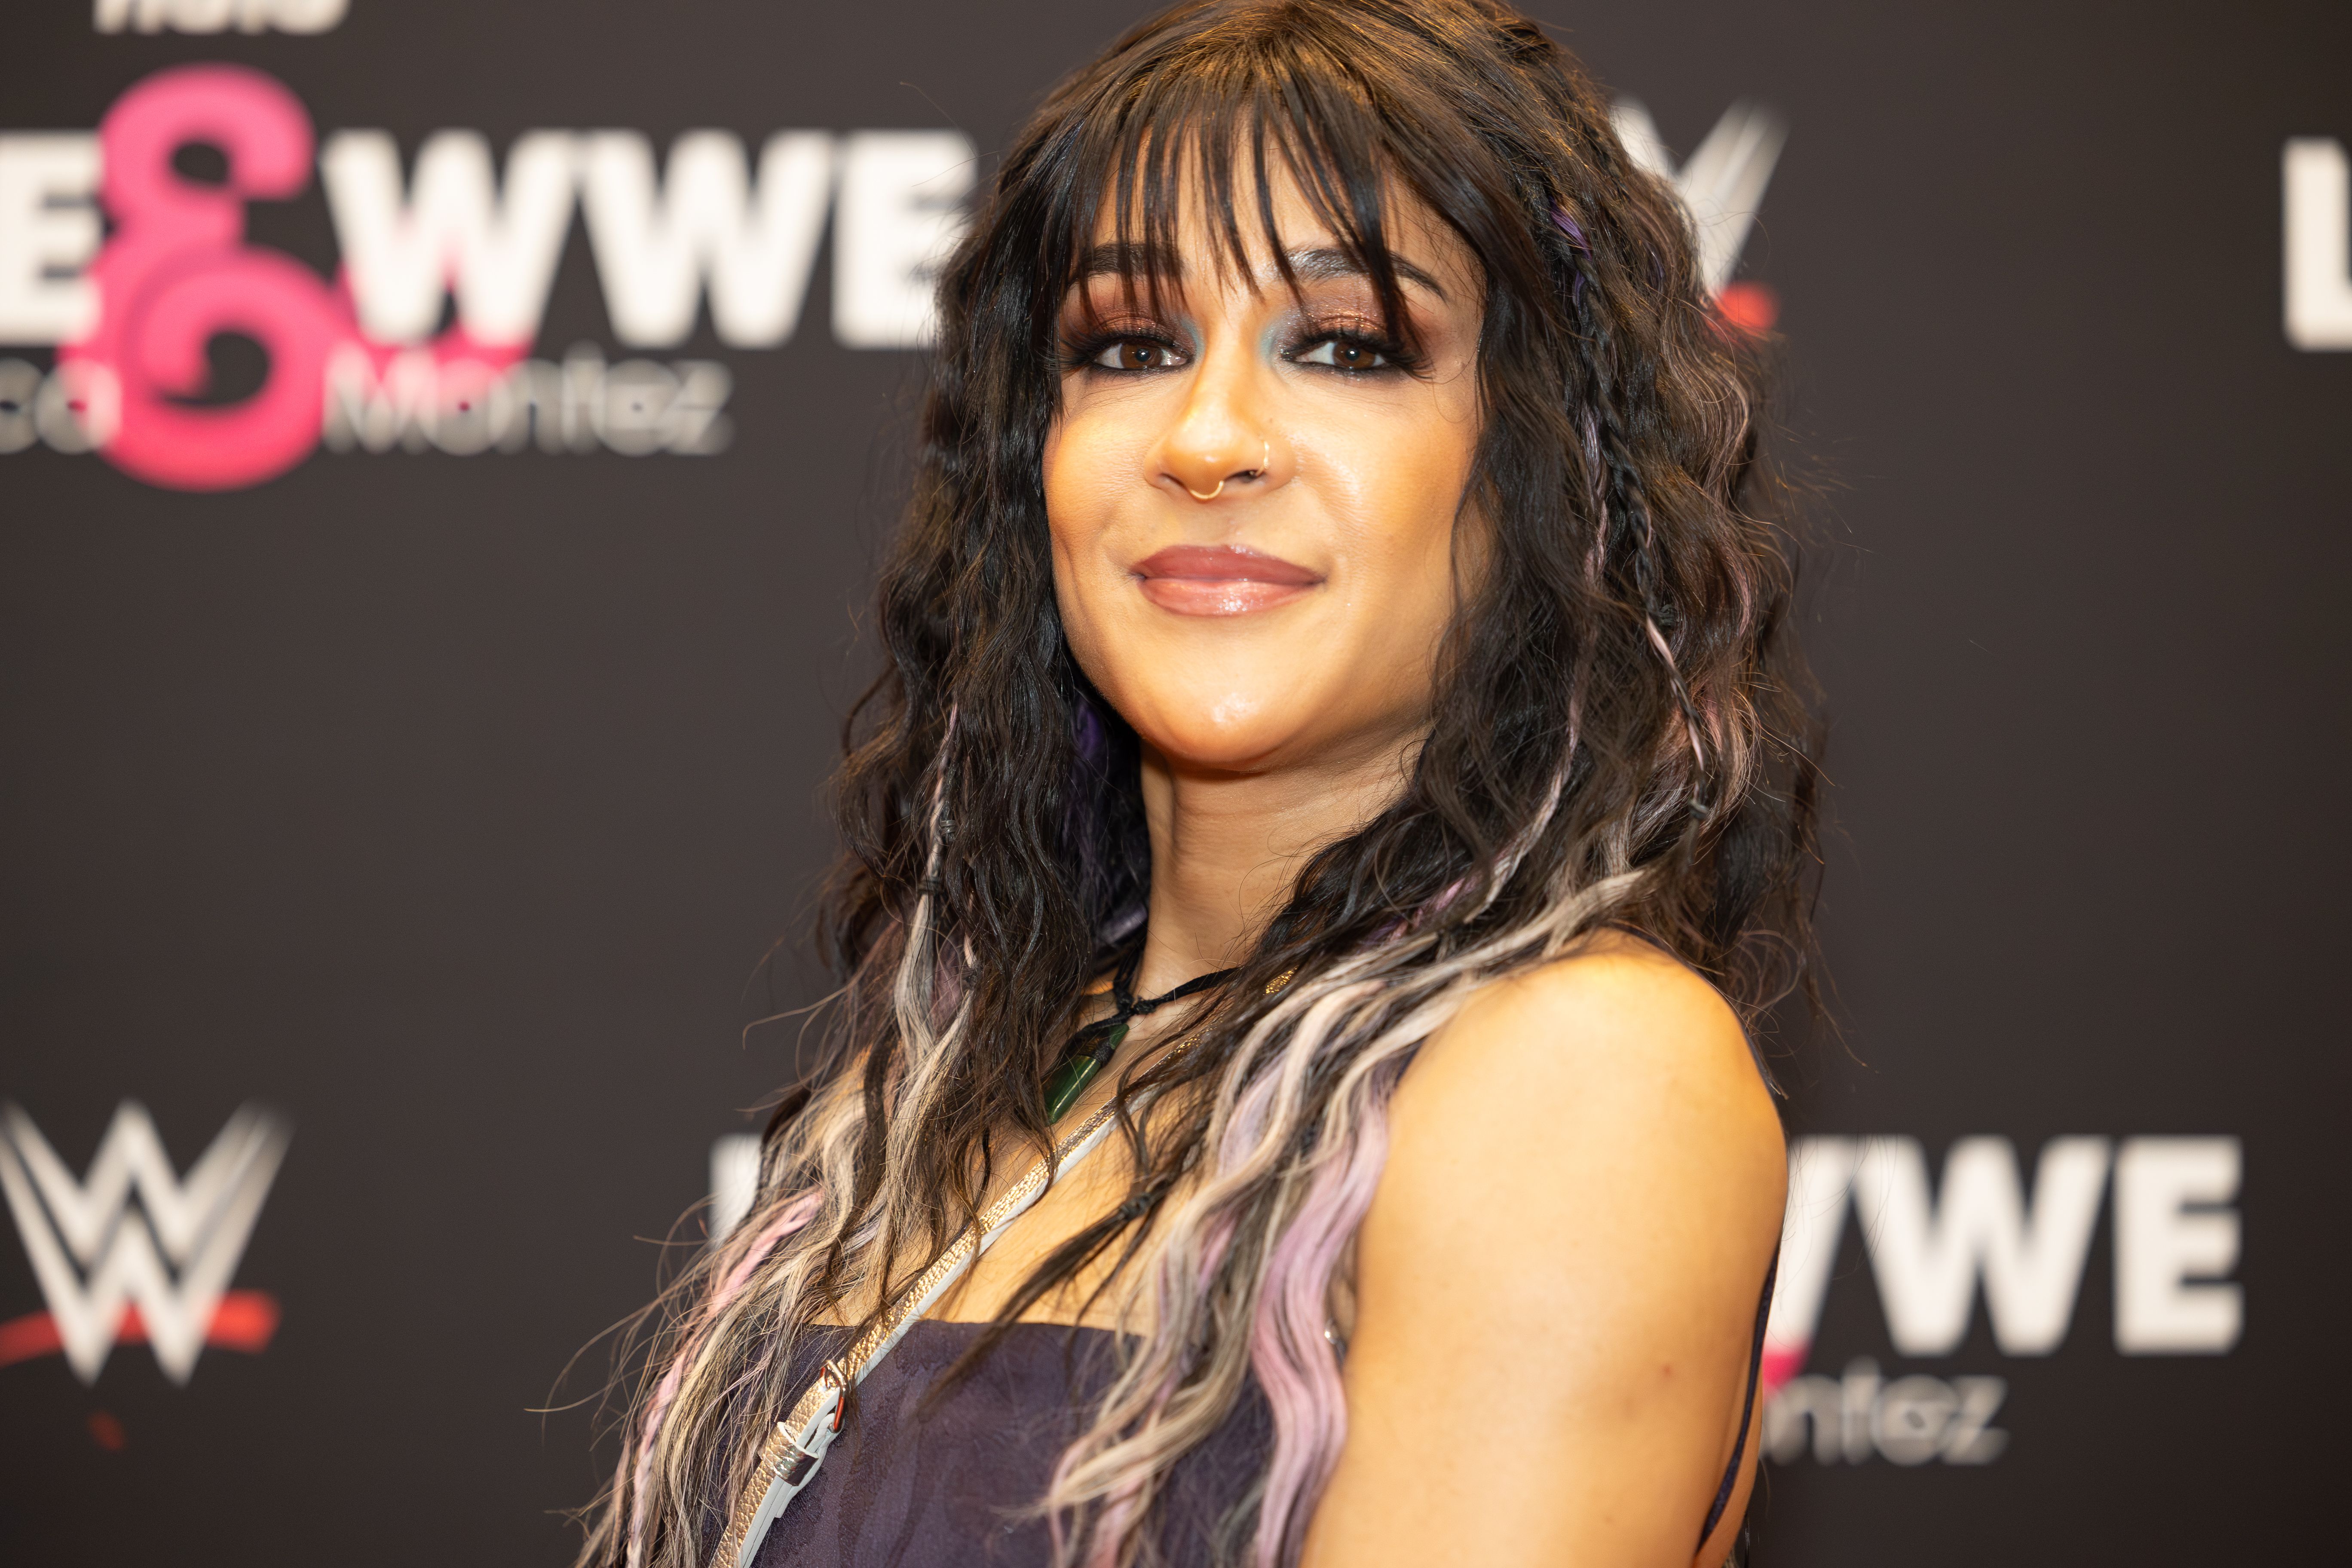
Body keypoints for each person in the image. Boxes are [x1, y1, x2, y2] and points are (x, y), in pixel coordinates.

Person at [582, 2, 1817, 1565]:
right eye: (1130, 346)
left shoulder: (1577, 1074)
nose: (1209, 436)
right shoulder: (981, 1076)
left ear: (1539, 470)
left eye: (1348, 345)